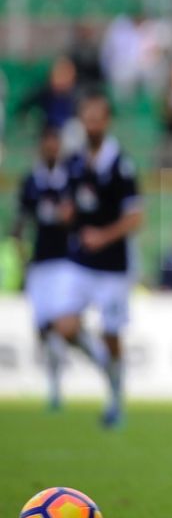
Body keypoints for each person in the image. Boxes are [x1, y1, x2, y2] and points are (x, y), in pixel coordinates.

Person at [49, 90, 143, 428]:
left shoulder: (121, 165)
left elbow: (135, 218)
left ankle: (116, 398)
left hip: (113, 268)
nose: (90, 124)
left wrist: (103, 236)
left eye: (96, 118)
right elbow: (73, 205)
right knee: (64, 326)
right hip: (80, 261)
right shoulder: (74, 163)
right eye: (86, 118)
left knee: (113, 334)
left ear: (106, 122)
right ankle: (103, 362)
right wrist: (66, 214)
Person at [11, 128, 75, 410]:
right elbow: (20, 223)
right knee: (43, 329)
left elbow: (81, 217)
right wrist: (22, 256)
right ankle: (55, 388)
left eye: (54, 144)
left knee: (59, 326)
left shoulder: (70, 179)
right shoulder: (31, 181)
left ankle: (56, 391)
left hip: (64, 263)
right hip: (40, 264)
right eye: (46, 144)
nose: (51, 149)